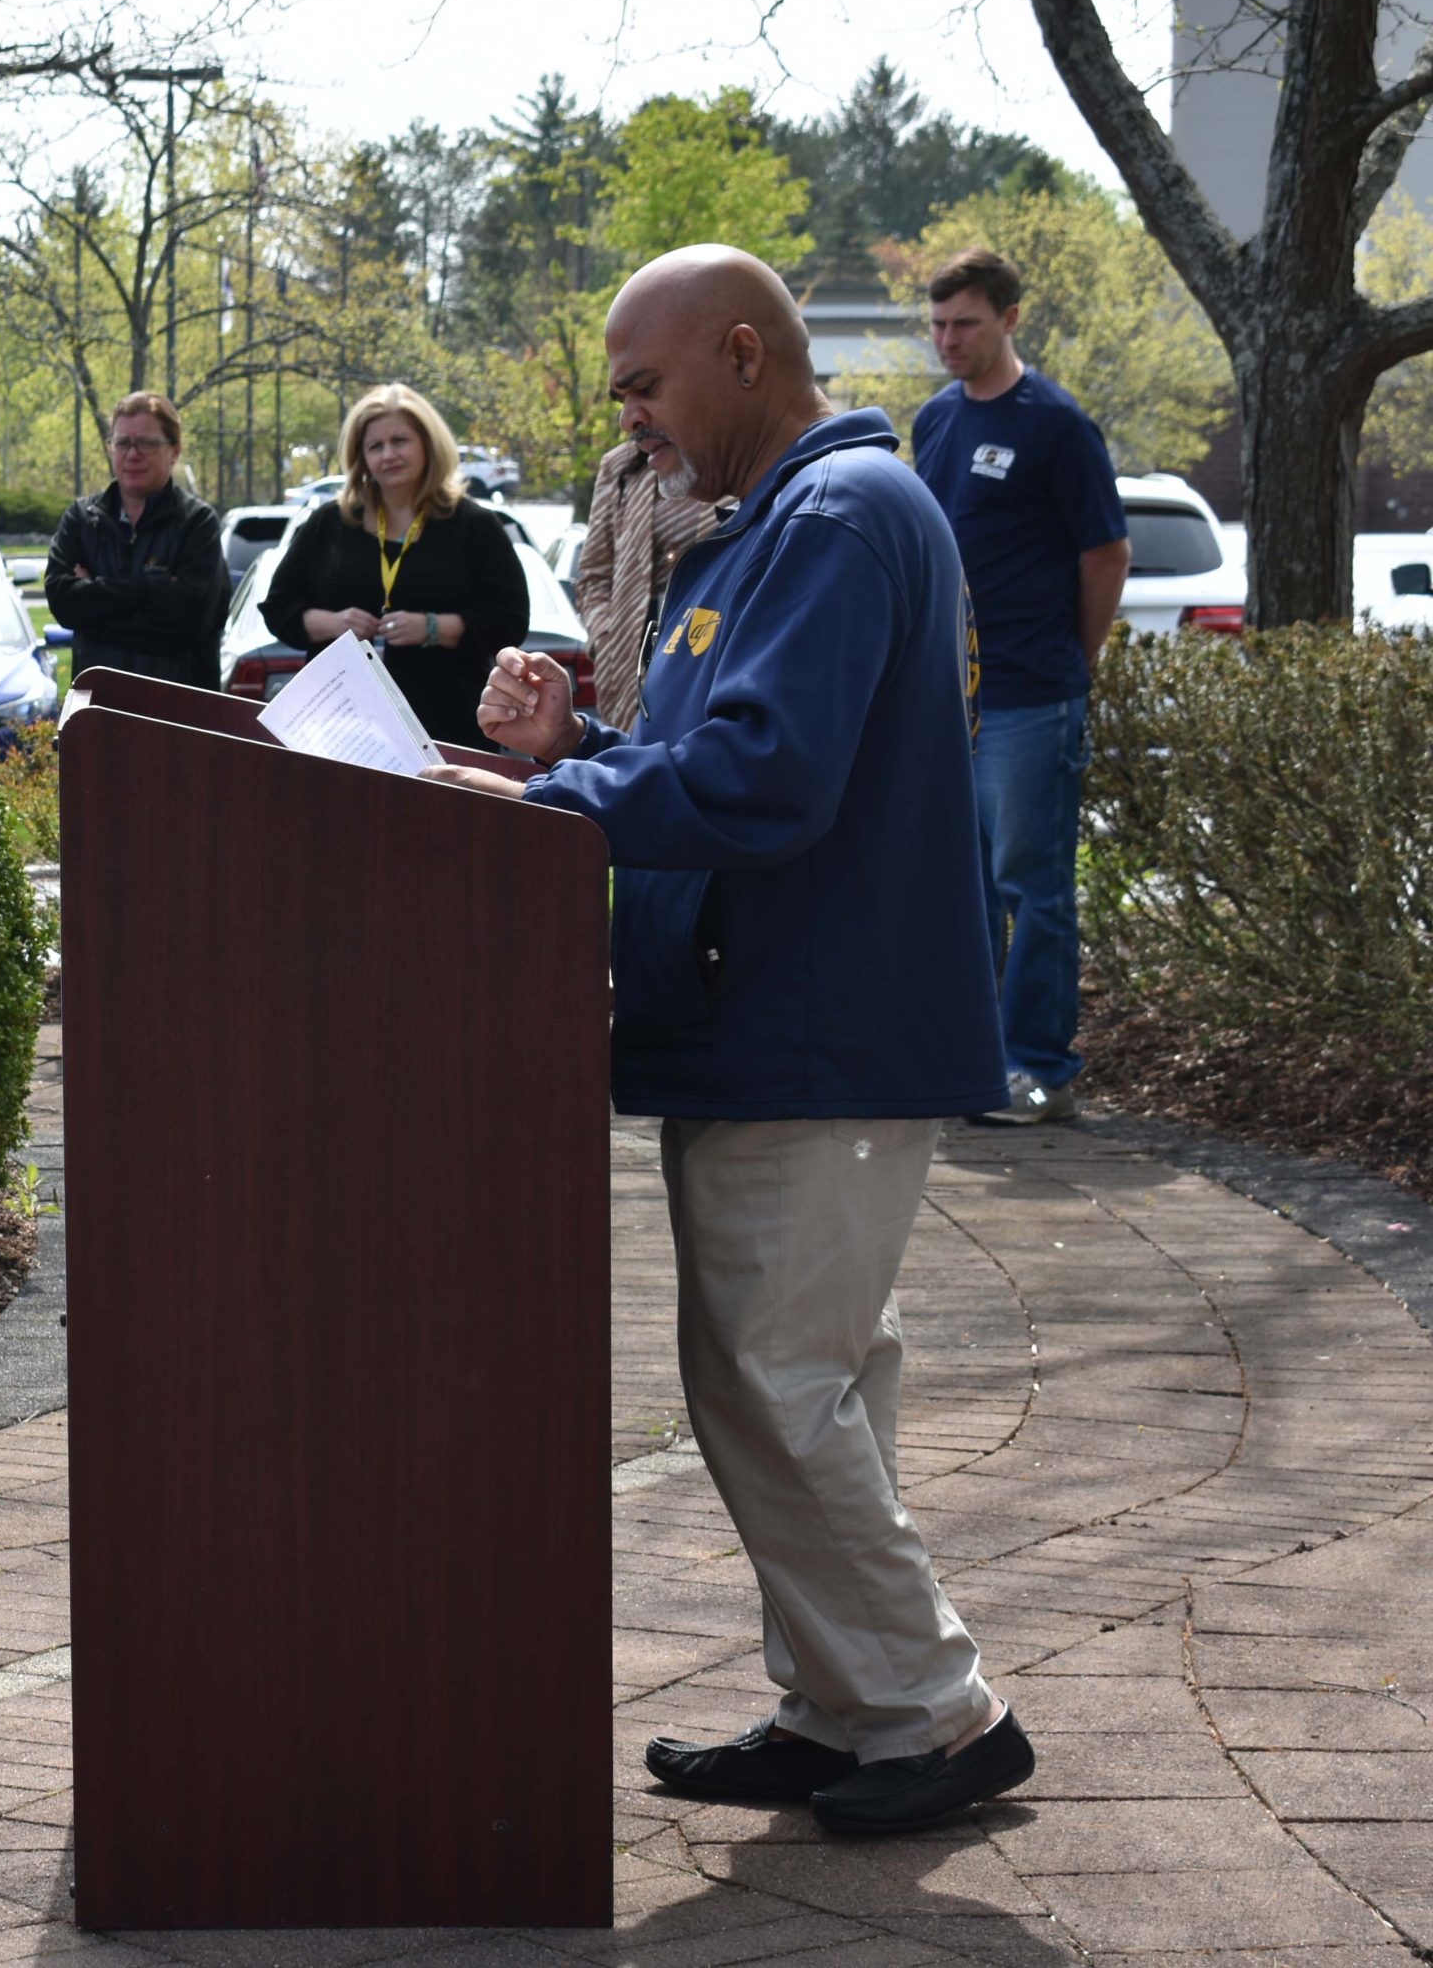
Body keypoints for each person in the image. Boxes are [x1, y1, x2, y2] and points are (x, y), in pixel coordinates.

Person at [444, 245, 1030, 1837]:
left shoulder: (836, 519)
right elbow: (722, 751)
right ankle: (840, 1703)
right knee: (809, 1381)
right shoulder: (782, 522)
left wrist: (543, 796)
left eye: (644, 385)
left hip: (815, 1028)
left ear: (747, 351)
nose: (630, 426)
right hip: (776, 1020)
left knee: (776, 1386)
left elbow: (768, 782)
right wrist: (589, 746)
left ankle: (932, 1711)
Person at [913, 249, 1132, 1126]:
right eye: (936, 325)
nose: (947, 340)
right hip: (947, 698)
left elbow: (1105, 553)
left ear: (1009, 318)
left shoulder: (1056, 425)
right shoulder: (934, 420)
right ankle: (969, 1060)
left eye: (964, 323)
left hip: (1032, 695)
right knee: (958, 885)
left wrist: (1071, 665)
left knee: (1029, 888)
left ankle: (1040, 1068)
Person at [259, 383, 526, 747]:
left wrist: (433, 628)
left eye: (400, 441)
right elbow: (277, 608)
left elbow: (510, 620)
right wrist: (335, 624)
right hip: (344, 731)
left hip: (448, 728)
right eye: (375, 446)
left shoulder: (474, 525)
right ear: (360, 456)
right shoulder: (329, 523)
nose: (388, 455)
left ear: (427, 445)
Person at [44, 392, 229, 687]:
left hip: (175, 715)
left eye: (146, 443)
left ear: (174, 450)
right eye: (122, 443)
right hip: (99, 711)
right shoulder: (82, 519)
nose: (132, 454)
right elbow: (64, 604)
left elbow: (187, 623)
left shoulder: (197, 523)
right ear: (110, 449)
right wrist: (149, 586)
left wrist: (95, 604)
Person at [574, 435, 719, 730]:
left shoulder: (731, 462)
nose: (630, 416)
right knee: (628, 760)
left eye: (647, 390)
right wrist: (606, 640)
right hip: (631, 664)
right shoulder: (622, 465)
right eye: (623, 399)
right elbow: (593, 575)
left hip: (706, 655)